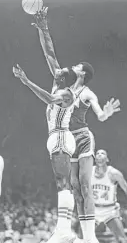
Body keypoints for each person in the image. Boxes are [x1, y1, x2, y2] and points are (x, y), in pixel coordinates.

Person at [32, 7, 121, 243]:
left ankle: (89, 237)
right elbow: (49, 52)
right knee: (74, 188)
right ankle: (75, 234)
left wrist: (106, 113)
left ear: (82, 72)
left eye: (78, 64)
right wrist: (44, 28)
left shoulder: (82, 92)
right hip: (66, 138)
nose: (73, 65)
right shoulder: (63, 83)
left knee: (83, 185)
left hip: (80, 136)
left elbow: (99, 116)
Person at [13, 64, 79, 243]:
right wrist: (43, 33)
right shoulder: (58, 84)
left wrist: (26, 81)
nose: (56, 69)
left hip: (60, 136)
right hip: (57, 137)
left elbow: (50, 99)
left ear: (63, 79)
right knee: (62, 183)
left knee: (63, 183)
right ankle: (63, 229)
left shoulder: (66, 94)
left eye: (60, 71)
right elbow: (50, 55)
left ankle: (64, 230)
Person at [91, 149, 127, 243]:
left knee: (122, 240)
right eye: (97, 153)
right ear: (95, 159)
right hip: (93, 210)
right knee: (82, 238)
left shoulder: (114, 173)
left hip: (110, 211)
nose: (100, 155)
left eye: (102, 153)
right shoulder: (89, 172)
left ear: (107, 159)